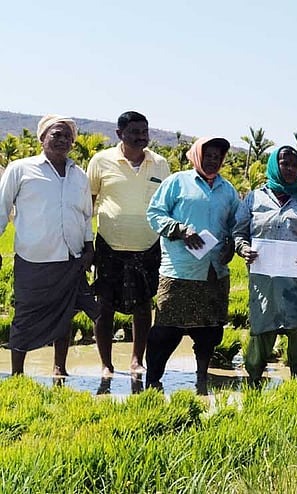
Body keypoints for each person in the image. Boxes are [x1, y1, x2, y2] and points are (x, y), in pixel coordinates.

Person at [0, 115, 98, 377]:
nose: (63, 140)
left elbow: (85, 216)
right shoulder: (20, 169)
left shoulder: (79, 175)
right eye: (56, 134)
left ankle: (59, 368)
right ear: (42, 137)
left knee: (65, 314)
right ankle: (17, 373)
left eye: (68, 136)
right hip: (34, 259)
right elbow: (1, 208)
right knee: (25, 315)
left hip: (71, 259)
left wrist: (89, 246)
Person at [144, 137, 239, 393]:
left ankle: (202, 379)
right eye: (208, 155)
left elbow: (236, 223)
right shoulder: (177, 182)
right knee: (165, 331)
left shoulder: (228, 189)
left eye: (217, 156)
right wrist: (180, 229)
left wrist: (231, 243)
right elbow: (155, 213)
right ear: (197, 156)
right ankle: (153, 381)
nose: (213, 160)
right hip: (180, 270)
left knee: (209, 332)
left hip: (214, 271)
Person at [233, 146, 297, 383]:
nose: (290, 169)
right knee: (261, 331)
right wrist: (243, 248)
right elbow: (239, 232)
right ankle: (253, 382)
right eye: (284, 163)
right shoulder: (254, 198)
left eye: (295, 165)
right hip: (265, 283)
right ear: (274, 166)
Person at [87, 111, 170, 376]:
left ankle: (136, 361)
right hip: (109, 245)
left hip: (148, 246)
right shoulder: (101, 161)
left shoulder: (160, 164)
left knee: (143, 306)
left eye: (144, 131)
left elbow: (165, 204)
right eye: (134, 131)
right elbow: (88, 203)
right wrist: (86, 242)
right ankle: (106, 364)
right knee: (104, 306)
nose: (141, 137)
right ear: (119, 133)